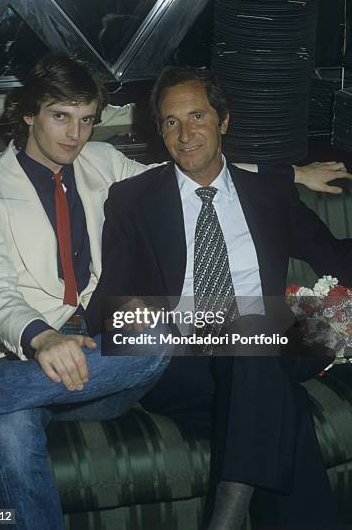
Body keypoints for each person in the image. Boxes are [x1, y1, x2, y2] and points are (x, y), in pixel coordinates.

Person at [0, 54, 350, 530]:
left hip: (180, 350)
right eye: (60, 116)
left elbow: (200, 165)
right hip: (52, 348)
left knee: (243, 344)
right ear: (30, 113)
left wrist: (289, 175)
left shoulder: (101, 163)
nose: (75, 135)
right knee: (13, 425)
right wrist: (41, 336)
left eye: (87, 120)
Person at [86, 66, 352, 530]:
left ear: (223, 120)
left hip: (274, 343)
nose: (185, 134)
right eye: (171, 122)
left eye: (197, 116)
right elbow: (108, 313)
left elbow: (332, 254)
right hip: (184, 365)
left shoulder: (269, 193)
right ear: (160, 131)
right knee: (272, 399)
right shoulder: (133, 200)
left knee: (260, 340)